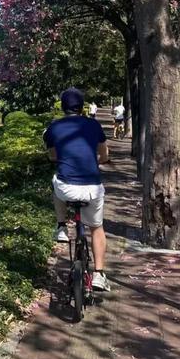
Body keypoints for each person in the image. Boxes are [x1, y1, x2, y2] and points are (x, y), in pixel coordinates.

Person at [43, 87, 111, 292]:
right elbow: (105, 154)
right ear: (82, 107)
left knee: (56, 181)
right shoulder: (93, 125)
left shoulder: (53, 128)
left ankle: (62, 226)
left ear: (63, 107)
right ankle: (99, 274)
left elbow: (52, 155)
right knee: (96, 228)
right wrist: (99, 160)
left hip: (67, 189)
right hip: (92, 188)